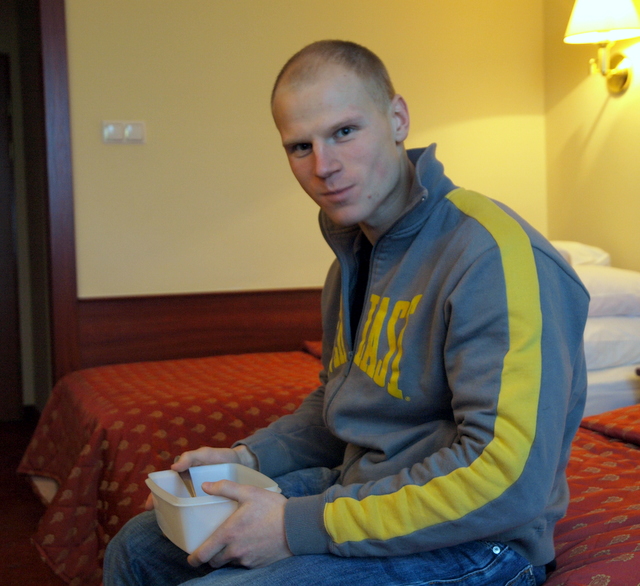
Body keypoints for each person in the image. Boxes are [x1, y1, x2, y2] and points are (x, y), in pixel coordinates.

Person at [104, 40, 589, 586]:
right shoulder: (354, 260)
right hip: (366, 490)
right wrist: (247, 459)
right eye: (300, 147)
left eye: (344, 132)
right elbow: (344, 404)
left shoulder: (493, 257)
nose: (324, 166)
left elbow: (508, 478)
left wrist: (294, 526)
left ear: (398, 119)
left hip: (480, 543)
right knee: (138, 548)